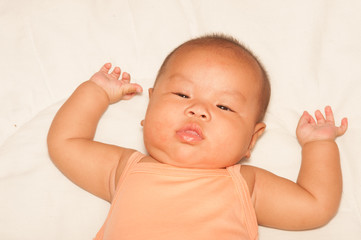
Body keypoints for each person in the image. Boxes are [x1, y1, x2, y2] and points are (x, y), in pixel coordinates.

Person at [47, 34, 348, 240]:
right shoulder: (126, 169)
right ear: (149, 106)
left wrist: (319, 145)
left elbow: (315, 204)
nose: (197, 110)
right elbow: (66, 143)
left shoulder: (245, 185)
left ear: (251, 140)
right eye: (182, 94)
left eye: (224, 106)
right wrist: (95, 91)